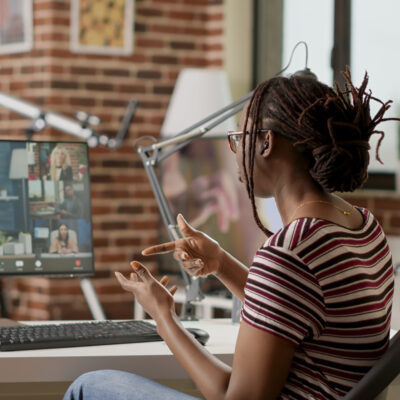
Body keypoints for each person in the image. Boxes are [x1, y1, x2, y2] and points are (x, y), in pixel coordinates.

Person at [63, 68, 396, 400]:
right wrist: (221, 262)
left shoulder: (291, 251)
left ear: (267, 143)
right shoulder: (364, 226)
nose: (234, 151)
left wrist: (163, 316)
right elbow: (293, 307)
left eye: (238, 137)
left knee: (88, 386)